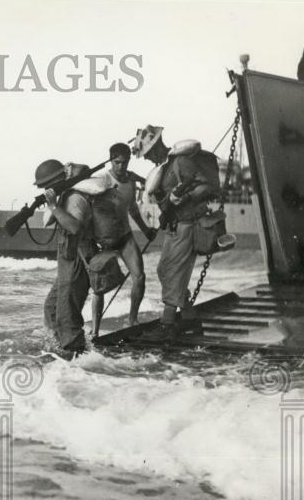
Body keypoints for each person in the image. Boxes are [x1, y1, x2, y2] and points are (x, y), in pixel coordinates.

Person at [132, 128, 220, 341]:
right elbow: (167, 200)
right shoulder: (163, 168)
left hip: (188, 224)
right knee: (165, 270)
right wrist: (168, 205)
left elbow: (208, 186)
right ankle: (190, 318)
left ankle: (167, 325)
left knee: (173, 273)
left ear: (158, 147)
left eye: (150, 153)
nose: (148, 158)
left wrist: (186, 196)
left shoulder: (180, 162)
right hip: (174, 225)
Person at [89, 142, 158, 332]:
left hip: (125, 237)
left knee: (140, 277)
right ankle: (94, 331)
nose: (121, 167)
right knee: (99, 288)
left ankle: (132, 320)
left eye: (125, 163)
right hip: (104, 242)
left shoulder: (130, 182)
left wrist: (146, 231)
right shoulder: (100, 180)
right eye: (117, 162)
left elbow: (133, 210)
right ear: (111, 160)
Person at [38, 159, 96, 358]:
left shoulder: (74, 198)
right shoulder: (64, 197)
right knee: (52, 308)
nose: (45, 189)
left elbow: (74, 228)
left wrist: (54, 207)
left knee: (67, 316)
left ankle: (74, 355)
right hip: (67, 263)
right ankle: (61, 347)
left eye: (47, 185)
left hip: (77, 261)